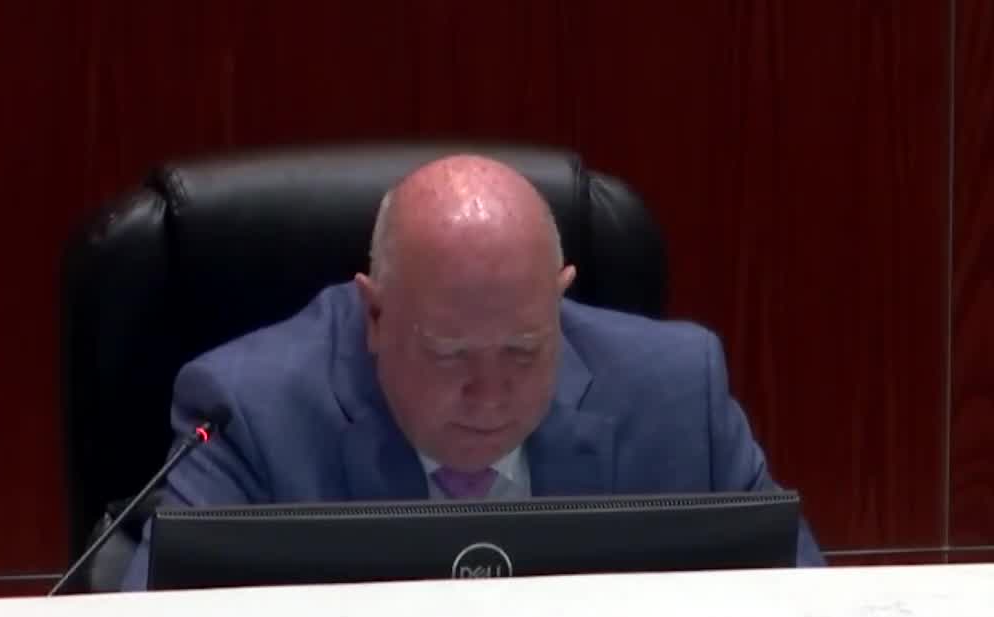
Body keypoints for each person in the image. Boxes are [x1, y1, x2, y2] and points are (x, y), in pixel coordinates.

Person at [117, 154, 823, 590]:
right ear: (374, 314)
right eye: (449, 353)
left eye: (523, 350)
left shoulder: (677, 393)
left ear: (560, 296)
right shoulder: (248, 412)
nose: (489, 396)